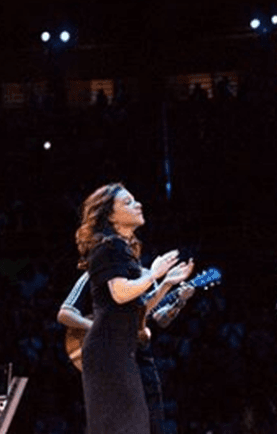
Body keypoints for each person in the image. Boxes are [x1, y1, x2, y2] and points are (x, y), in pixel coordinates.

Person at [72, 183, 193, 434]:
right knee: (126, 426)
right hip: (108, 351)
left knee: (133, 425)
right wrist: (153, 274)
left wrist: (167, 283)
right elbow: (119, 293)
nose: (138, 205)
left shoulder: (122, 249)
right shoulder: (109, 246)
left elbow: (138, 309)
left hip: (119, 349)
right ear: (110, 216)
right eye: (127, 202)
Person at [58, 265, 195, 433]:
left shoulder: (147, 276)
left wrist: (179, 301)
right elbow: (64, 314)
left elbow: (159, 318)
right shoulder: (95, 274)